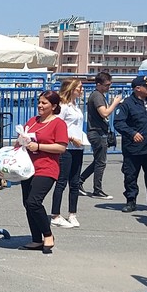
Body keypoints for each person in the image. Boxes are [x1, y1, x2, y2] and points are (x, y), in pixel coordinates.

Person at [17, 90, 68, 254]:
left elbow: (61, 147)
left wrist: (38, 146)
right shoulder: (32, 121)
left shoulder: (58, 124)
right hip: (27, 167)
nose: (40, 105)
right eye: (39, 102)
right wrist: (20, 142)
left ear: (53, 106)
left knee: (34, 202)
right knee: (27, 204)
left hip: (46, 167)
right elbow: (22, 140)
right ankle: (36, 239)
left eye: (44, 103)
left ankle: (48, 235)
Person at [113, 76, 147, 213]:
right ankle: (131, 200)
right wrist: (132, 133)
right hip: (133, 148)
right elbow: (119, 123)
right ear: (138, 88)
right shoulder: (127, 104)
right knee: (131, 175)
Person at [79, 72, 122, 199]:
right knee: (101, 162)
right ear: (98, 85)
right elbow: (104, 113)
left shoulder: (98, 95)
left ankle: (79, 181)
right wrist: (115, 103)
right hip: (97, 132)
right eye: (107, 85)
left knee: (98, 161)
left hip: (98, 132)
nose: (109, 87)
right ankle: (97, 190)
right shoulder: (97, 96)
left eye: (110, 84)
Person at [50, 79, 85, 228]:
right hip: (67, 147)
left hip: (78, 147)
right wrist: (70, 138)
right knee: (62, 181)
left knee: (75, 182)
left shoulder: (76, 106)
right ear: (72, 89)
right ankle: (55, 214)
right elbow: (57, 125)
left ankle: (72, 213)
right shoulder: (63, 107)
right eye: (79, 88)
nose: (81, 90)